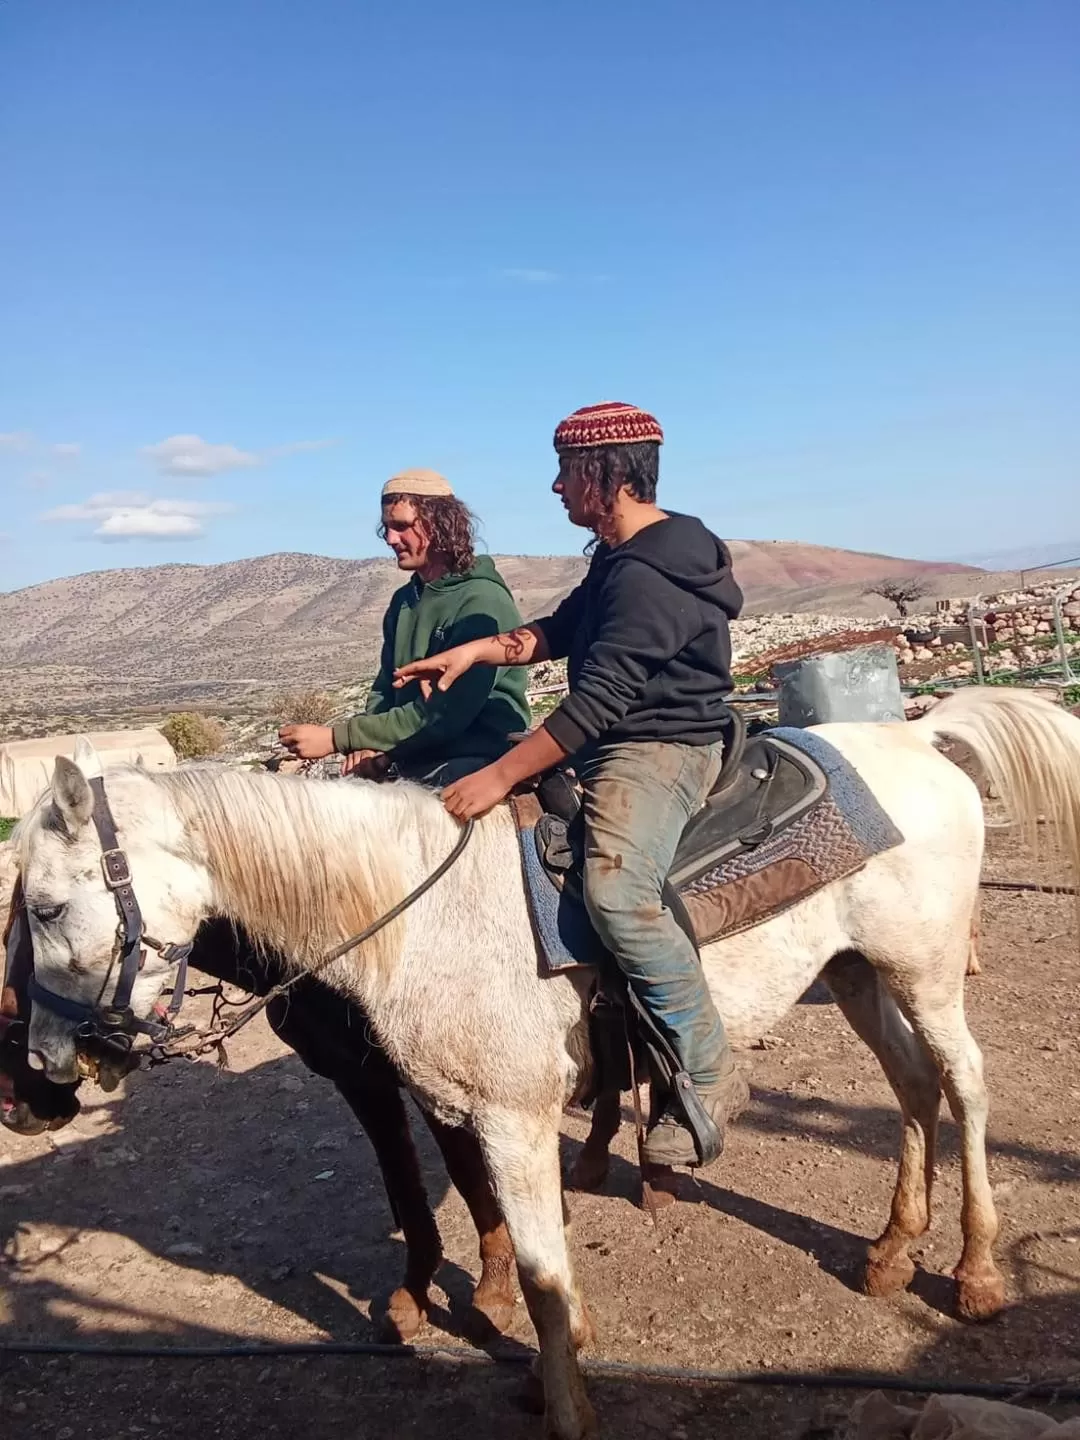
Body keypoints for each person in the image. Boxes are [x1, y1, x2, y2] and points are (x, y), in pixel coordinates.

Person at [393, 403, 747, 1168]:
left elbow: (597, 702)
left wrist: (499, 775)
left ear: (605, 474)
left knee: (619, 895)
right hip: (619, 736)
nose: (556, 487)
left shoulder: (653, 572)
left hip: (660, 747)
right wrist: (477, 652)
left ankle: (712, 1073)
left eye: (565, 472)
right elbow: (560, 629)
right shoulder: (617, 557)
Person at [279, 468, 530, 787]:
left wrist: (336, 738)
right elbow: (386, 687)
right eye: (386, 527)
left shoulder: (482, 600)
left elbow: (446, 716)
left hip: (476, 760)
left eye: (401, 526)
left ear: (440, 523)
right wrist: (370, 744)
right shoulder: (404, 600)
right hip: (413, 757)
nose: (390, 539)